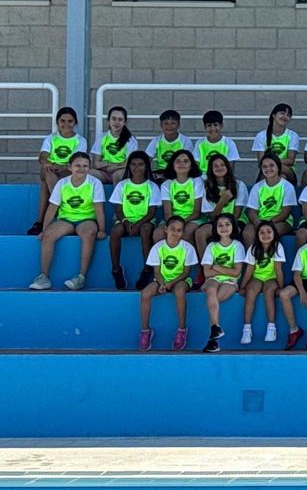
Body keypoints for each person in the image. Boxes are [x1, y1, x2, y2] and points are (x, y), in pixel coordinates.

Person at [30, 150, 103, 291]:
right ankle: (44, 277)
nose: (81, 169)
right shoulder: (62, 183)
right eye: (77, 165)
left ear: (89, 167)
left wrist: (101, 229)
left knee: (88, 234)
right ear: (70, 167)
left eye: (85, 166)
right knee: (49, 235)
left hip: (86, 219)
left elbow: (98, 209)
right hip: (66, 219)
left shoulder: (95, 183)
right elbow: (52, 208)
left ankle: (81, 277)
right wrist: (44, 230)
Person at [138, 216, 198, 352]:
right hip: (161, 280)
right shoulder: (158, 247)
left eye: (179, 230)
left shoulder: (187, 248)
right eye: (172, 229)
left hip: (181, 280)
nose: (175, 233)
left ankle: (182, 330)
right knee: (145, 293)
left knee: (179, 291)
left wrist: (171, 283)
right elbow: (157, 271)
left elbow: (186, 272)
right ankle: (145, 331)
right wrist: (162, 283)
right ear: (165, 229)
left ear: (182, 233)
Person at [31, 106, 87, 235]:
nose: (66, 124)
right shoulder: (51, 138)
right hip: (50, 170)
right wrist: (49, 163)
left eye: (70, 121)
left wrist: (61, 167)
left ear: (75, 123)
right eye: (62, 121)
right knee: (49, 174)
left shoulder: (80, 140)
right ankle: (59, 208)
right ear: (57, 122)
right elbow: (42, 157)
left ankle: (40, 222)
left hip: (67, 171)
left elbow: (77, 161)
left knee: (46, 184)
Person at [108, 151, 160, 291]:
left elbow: (151, 212)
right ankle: (116, 269)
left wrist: (138, 224)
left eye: (140, 164)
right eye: (133, 164)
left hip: (145, 221)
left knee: (145, 230)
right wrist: (125, 222)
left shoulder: (152, 186)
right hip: (125, 220)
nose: (137, 168)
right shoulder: (122, 185)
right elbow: (118, 209)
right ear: (129, 166)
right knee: (115, 231)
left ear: (146, 166)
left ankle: (147, 269)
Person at [199, 212, 246, 353]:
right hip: (213, 279)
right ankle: (215, 329)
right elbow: (206, 272)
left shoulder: (237, 246)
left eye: (227, 224)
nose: (223, 227)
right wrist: (225, 270)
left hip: (231, 282)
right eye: (220, 225)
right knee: (211, 289)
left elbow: (236, 272)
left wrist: (217, 267)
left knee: (212, 299)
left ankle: (213, 339)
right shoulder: (212, 246)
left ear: (233, 227)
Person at [241, 220, 285, 347]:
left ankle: (271, 327)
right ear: (257, 235)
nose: (265, 235)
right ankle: (246, 329)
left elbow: (278, 270)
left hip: (272, 278)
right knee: (250, 292)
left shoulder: (277, 246)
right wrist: (243, 286)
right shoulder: (253, 248)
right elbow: (249, 269)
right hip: (257, 277)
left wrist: (280, 287)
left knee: (268, 291)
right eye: (262, 232)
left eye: (268, 232)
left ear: (274, 234)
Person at [92, 105, 135, 185]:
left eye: (120, 119)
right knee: (87, 173)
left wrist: (110, 167)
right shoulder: (101, 138)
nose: (116, 122)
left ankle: (116, 197)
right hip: (104, 172)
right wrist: (110, 166)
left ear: (125, 122)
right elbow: (96, 163)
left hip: (121, 171)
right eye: (114, 119)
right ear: (109, 120)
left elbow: (128, 164)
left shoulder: (130, 140)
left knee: (117, 175)